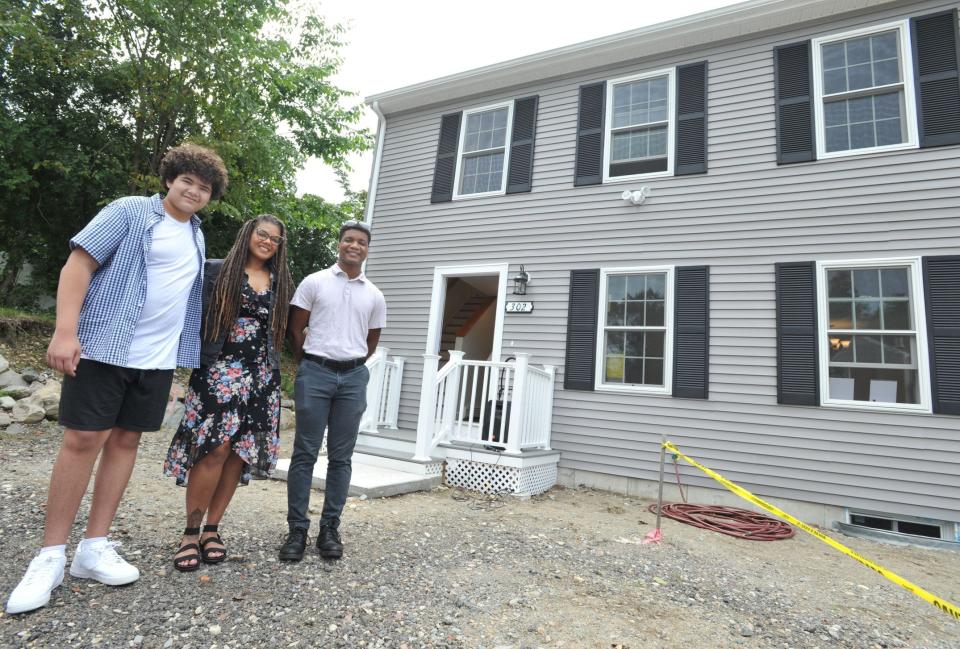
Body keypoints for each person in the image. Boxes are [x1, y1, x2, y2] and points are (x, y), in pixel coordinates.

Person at [4, 144, 228, 615]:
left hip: (157, 360)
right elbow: (78, 265)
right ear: (170, 179)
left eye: (204, 187)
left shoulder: (197, 235)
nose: (194, 191)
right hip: (105, 345)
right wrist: (65, 332)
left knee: (126, 443)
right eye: (187, 180)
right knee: (83, 440)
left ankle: (94, 548)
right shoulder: (129, 212)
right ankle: (49, 557)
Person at [163, 215, 293, 572]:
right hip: (218, 372)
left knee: (239, 452)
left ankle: (212, 530)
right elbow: (189, 317)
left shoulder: (280, 283)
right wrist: (177, 367)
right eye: (261, 234)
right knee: (213, 448)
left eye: (274, 239)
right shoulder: (216, 271)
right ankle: (190, 533)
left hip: (261, 378)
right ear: (248, 235)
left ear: (279, 247)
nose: (267, 241)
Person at [278, 220, 386, 562]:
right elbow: (295, 328)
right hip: (316, 373)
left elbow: (371, 341)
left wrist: (348, 364)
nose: (354, 246)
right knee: (305, 453)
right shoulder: (315, 282)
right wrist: (310, 363)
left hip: (353, 378)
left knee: (341, 458)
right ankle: (297, 529)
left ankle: (329, 529)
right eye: (349, 240)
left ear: (367, 249)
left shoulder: (374, 294)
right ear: (339, 244)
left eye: (361, 242)